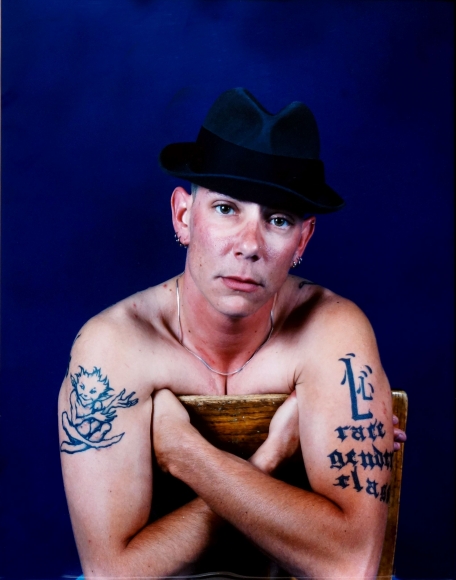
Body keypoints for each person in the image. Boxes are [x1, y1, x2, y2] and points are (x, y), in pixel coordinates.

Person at [59, 88, 406, 579]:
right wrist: (269, 461)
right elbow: (112, 574)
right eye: (226, 209)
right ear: (184, 216)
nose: (249, 244)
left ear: (303, 240)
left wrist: (188, 454)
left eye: (278, 220)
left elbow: (351, 566)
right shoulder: (114, 346)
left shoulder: (332, 331)